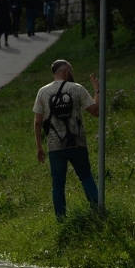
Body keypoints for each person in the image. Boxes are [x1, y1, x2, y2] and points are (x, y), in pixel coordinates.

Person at [33, 59, 103, 221]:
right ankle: (98, 212)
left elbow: (37, 122)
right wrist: (97, 90)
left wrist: (39, 147)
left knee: (58, 184)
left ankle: (61, 219)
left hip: (55, 146)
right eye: (70, 70)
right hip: (77, 143)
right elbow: (96, 111)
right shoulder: (77, 89)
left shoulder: (42, 92)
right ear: (65, 71)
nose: (72, 73)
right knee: (86, 176)